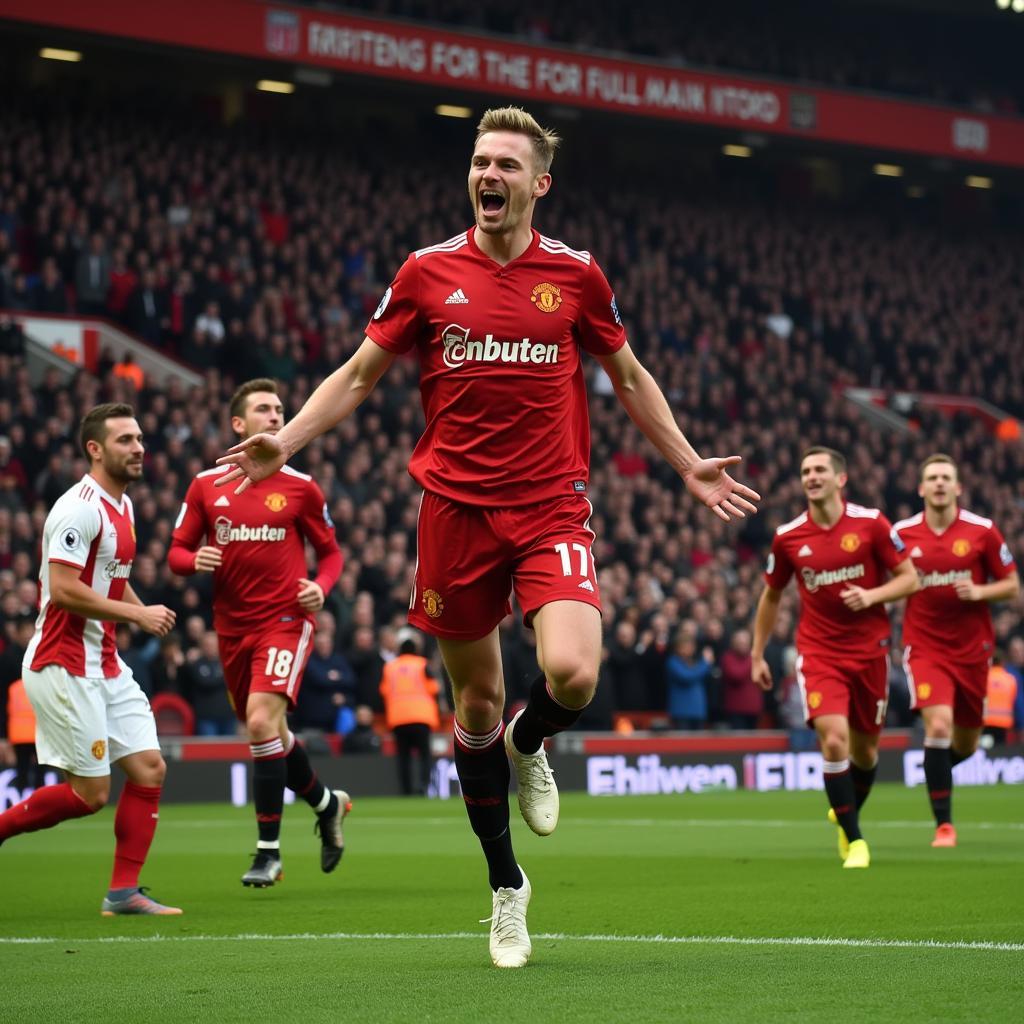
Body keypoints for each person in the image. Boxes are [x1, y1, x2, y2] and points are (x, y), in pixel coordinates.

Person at [215, 106, 759, 967]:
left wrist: (687, 461)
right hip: (454, 514)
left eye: (507, 163)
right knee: (471, 705)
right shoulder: (427, 272)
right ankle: (506, 887)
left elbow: (626, 373)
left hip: (550, 506)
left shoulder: (576, 276)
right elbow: (359, 375)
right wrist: (288, 441)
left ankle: (531, 737)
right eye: (479, 161)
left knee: (574, 674)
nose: (488, 175)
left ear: (539, 183)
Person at [0, 403, 182, 915]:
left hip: (104, 661)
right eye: (125, 439)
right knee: (89, 794)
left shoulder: (122, 507)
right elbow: (61, 590)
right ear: (95, 449)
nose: (139, 447)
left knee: (149, 768)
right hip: (63, 662)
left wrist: (140, 610)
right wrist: (137, 616)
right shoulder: (78, 508)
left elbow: (105, 584)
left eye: (141, 437)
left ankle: (123, 893)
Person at [168, 378, 350, 888]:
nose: (275, 416)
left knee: (259, 724)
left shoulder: (301, 486)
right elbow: (175, 552)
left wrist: (321, 585)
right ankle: (327, 803)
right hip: (231, 629)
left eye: (279, 409)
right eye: (264, 409)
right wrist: (192, 561)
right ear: (238, 424)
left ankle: (268, 851)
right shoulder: (206, 485)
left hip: (286, 621)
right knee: (271, 735)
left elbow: (331, 553)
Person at [751, 446, 918, 869]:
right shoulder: (789, 536)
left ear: (840, 479)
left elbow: (910, 578)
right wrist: (757, 653)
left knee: (865, 753)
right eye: (806, 470)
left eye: (820, 469)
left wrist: (872, 596)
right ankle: (855, 838)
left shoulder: (871, 524)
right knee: (835, 740)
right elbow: (771, 596)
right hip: (819, 652)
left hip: (871, 653)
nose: (812, 476)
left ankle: (845, 806)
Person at [892, 453, 1019, 847]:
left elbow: (1012, 585)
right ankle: (944, 825)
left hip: (973, 650)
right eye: (933, 478)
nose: (940, 483)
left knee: (965, 743)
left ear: (958, 487)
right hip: (925, 646)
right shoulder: (902, 534)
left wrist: (980, 591)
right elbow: (886, 578)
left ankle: (936, 773)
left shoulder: (982, 531)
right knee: (940, 726)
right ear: (921, 488)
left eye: (947, 477)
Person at [379, 635, 441, 796]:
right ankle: (423, 786)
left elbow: (384, 691)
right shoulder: (422, 664)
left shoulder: (389, 667)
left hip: (398, 718)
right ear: (416, 650)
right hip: (421, 717)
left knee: (403, 757)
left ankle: (406, 790)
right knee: (424, 755)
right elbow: (434, 688)